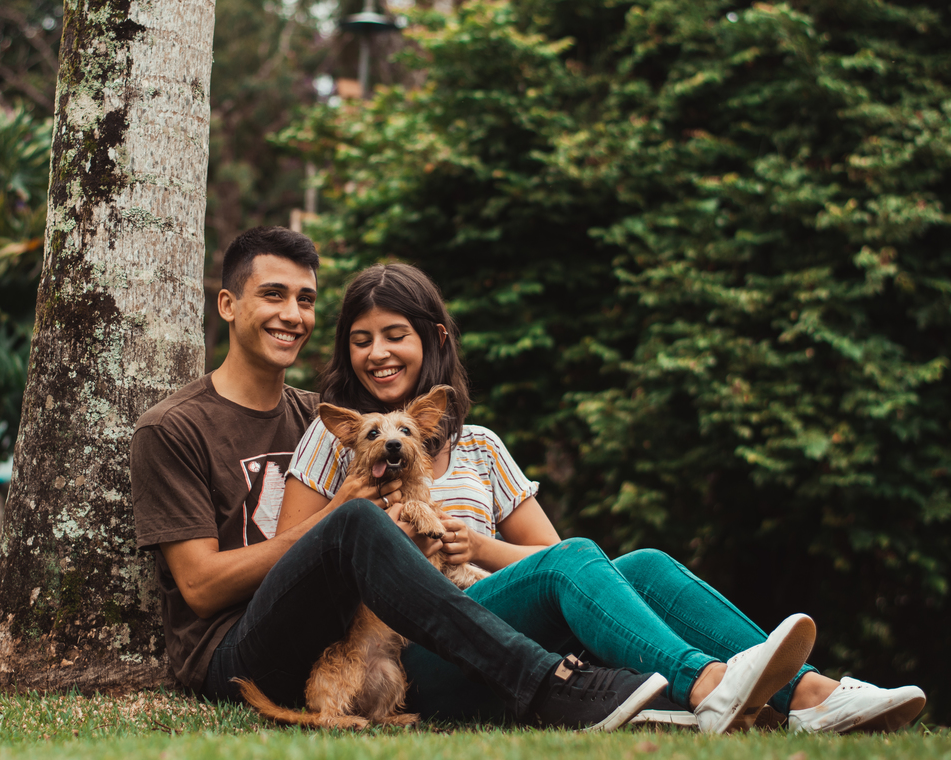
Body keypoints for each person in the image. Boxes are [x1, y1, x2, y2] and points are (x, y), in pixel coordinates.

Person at [278, 262, 928, 734]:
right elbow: (296, 569)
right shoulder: (330, 439)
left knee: (639, 563)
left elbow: (559, 568)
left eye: (394, 334)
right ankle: (706, 683)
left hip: (501, 625)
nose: (377, 353)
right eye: (360, 340)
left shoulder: (479, 446)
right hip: (408, 657)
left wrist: (478, 545)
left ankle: (810, 693)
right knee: (586, 559)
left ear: (434, 342)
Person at [131, 226, 675, 732]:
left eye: (306, 300)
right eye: (273, 295)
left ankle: (728, 681)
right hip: (236, 650)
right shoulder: (173, 427)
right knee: (357, 521)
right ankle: (549, 683)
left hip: (344, 640)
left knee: (641, 566)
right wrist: (339, 514)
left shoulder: (323, 415)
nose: (293, 314)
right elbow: (199, 589)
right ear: (227, 303)